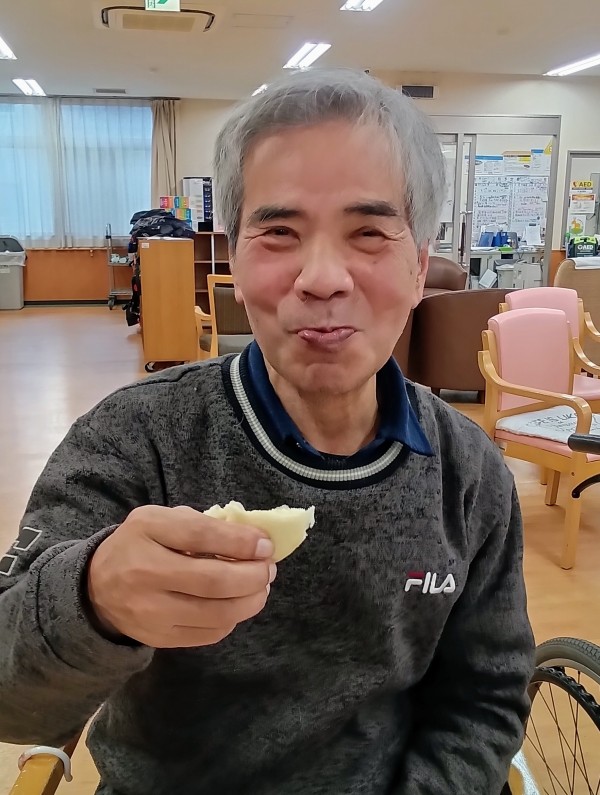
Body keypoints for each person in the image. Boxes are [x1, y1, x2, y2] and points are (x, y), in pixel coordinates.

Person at [0, 67, 534, 795]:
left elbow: (485, 699)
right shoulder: (136, 439)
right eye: (279, 232)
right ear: (234, 258)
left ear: (419, 266)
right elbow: (11, 697)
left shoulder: (468, 472)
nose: (322, 277)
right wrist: (94, 598)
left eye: (369, 232)